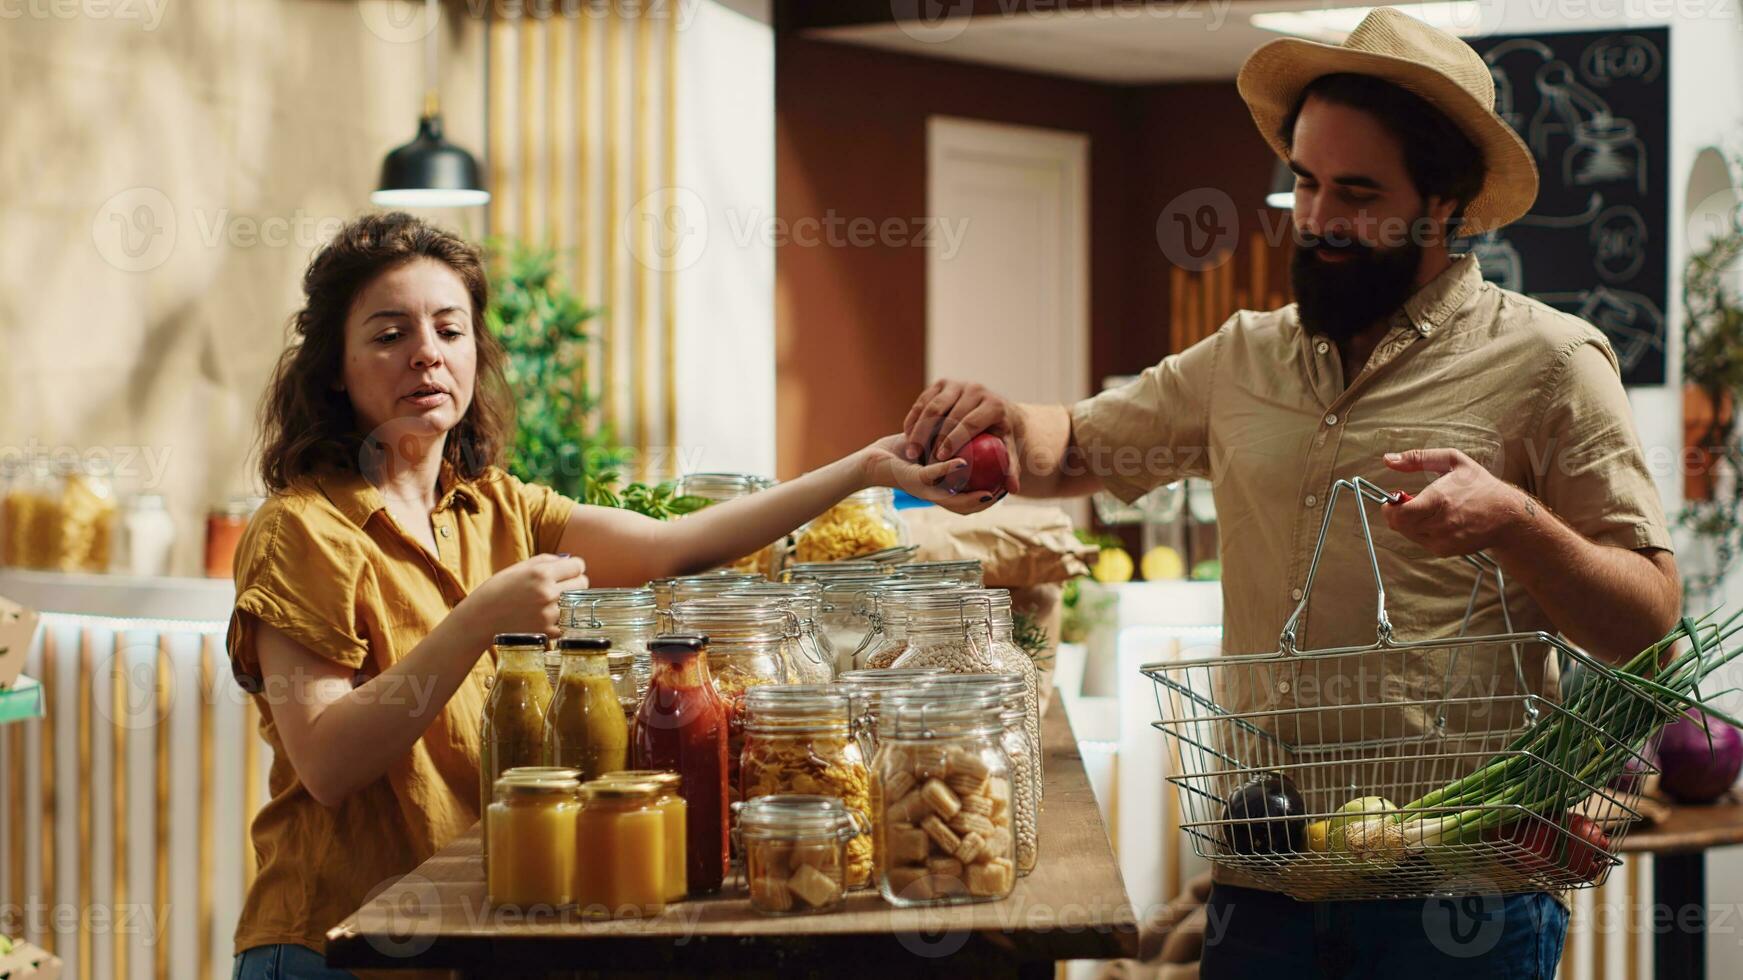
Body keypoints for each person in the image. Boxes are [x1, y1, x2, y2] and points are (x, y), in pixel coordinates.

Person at [899, 9, 1678, 979]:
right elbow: (1074, 446)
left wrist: (1517, 523)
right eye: (1305, 183)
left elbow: (1648, 624)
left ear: (1444, 208)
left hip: (1459, 891)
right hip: (1267, 875)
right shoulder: (1244, 356)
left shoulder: (1551, 363)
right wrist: (1005, 416)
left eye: (1357, 193)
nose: (1317, 218)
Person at [226, 211, 964, 979]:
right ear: (335, 370)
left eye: (450, 331)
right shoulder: (299, 531)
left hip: (465, 935)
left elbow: (679, 546)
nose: (426, 355)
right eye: (388, 335)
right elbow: (328, 762)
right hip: (331, 945)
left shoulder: (499, 507)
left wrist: (866, 468)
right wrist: (482, 618)